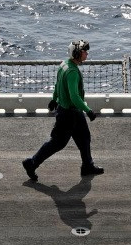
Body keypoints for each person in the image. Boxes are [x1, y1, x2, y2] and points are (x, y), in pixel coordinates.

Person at [22, 40, 104, 181]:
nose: (87, 53)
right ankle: (32, 163)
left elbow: (58, 84)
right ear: (77, 53)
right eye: (84, 51)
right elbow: (74, 97)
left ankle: (87, 166)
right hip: (68, 114)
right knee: (57, 143)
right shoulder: (72, 71)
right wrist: (88, 110)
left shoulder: (64, 64)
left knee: (84, 138)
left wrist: (54, 99)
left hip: (72, 112)